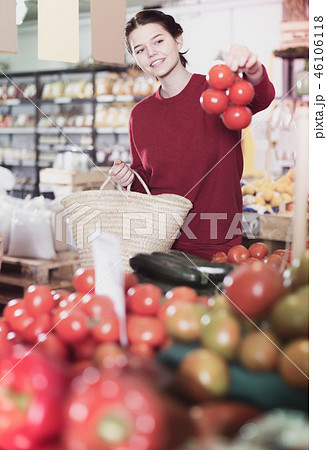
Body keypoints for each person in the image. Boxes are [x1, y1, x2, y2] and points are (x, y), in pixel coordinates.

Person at [109, 9, 275, 260]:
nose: (151, 52)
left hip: (219, 242)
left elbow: (261, 98)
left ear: (178, 40)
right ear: (135, 58)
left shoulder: (217, 90)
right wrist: (127, 178)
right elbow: (143, 182)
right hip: (161, 245)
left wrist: (252, 68)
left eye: (158, 41)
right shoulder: (139, 115)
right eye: (140, 49)